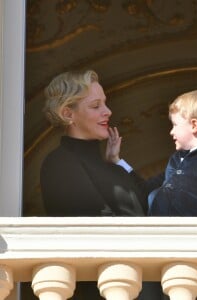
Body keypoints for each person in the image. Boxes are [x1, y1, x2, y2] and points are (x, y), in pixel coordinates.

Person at [39, 69, 149, 300]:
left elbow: (150, 203)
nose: (107, 111)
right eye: (96, 105)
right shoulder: (60, 162)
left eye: (105, 104)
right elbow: (96, 231)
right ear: (68, 113)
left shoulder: (108, 165)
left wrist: (117, 163)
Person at [108, 89, 197, 300]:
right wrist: (117, 161)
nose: (171, 132)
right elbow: (143, 190)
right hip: (159, 248)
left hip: (196, 251)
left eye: (175, 125)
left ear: (194, 125)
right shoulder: (175, 160)